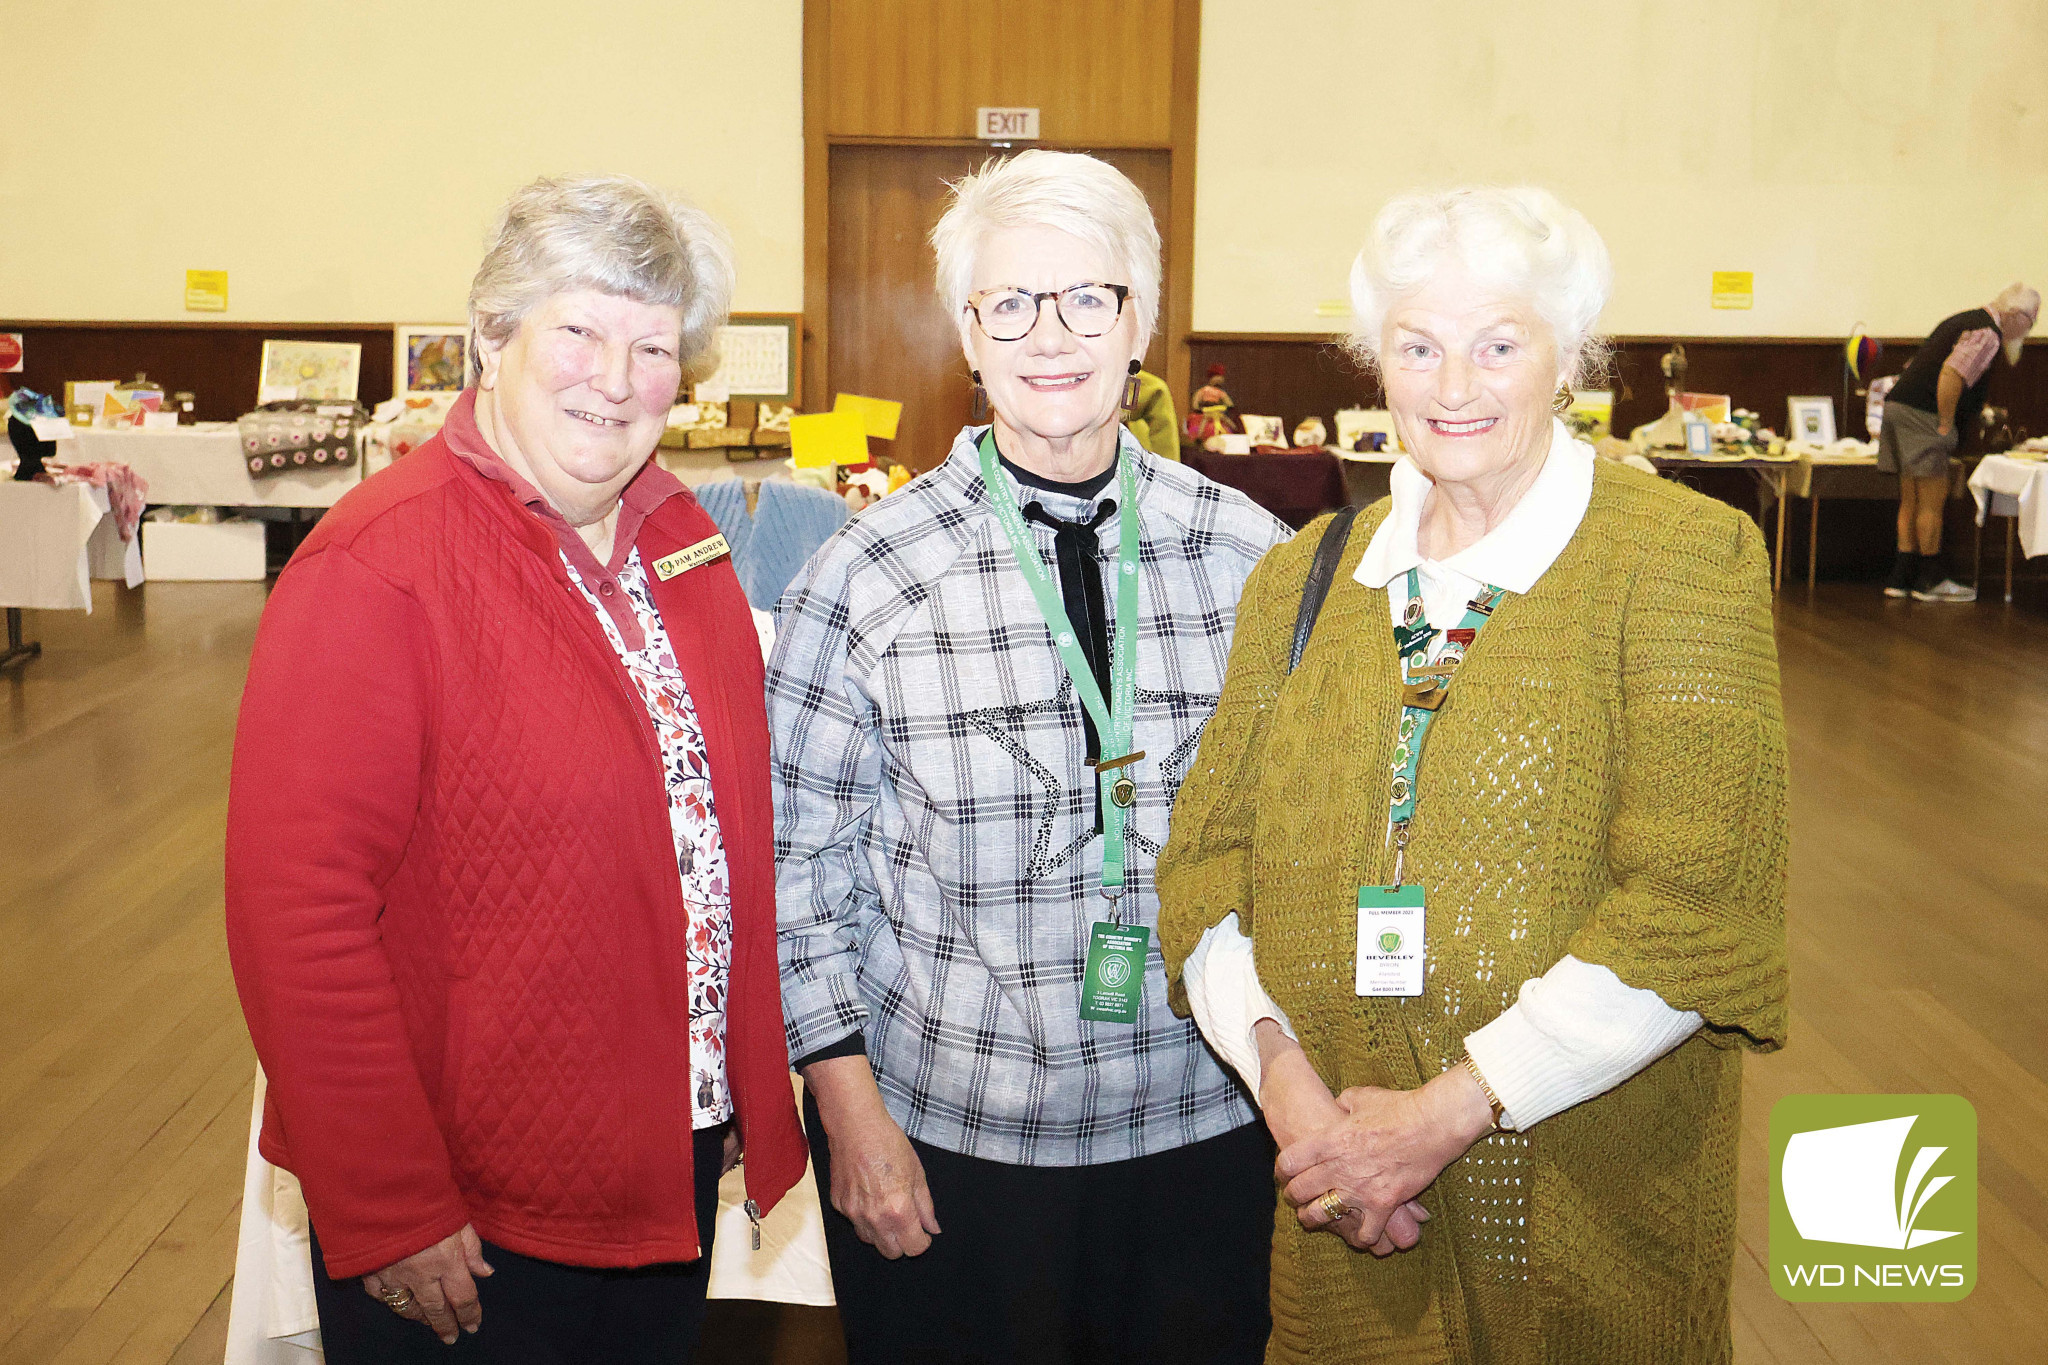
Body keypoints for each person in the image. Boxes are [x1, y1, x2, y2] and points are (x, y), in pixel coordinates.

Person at [1157, 186, 1790, 1364]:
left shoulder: (1683, 560)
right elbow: (1201, 870)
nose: (1454, 388)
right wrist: (1299, 1107)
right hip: (1345, 1208)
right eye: (1417, 348)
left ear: (1566, 360)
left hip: (1583, 1200)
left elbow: (1688, 911)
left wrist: (1442, 1116)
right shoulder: (1301, 579)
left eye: (1497, 344)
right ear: (1375, 364)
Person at [224, 173, 806, 1364]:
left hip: (662, 1157)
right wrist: (387, 1205)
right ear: (492, 337)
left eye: (653, 345)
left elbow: (722, 831)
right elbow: (299, 916)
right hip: (473, 1212)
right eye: (578, 328)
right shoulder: (378, 565)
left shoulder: (683, 541)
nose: (615, 375)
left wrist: (735, 1077)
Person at [769, 149, 1290, 1364]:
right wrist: (851, 1120)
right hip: (951, 1140)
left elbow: (1296, 842)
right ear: (966, 330)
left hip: (1202, 1124)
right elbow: (797, 880)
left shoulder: (1248, 555)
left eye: (1086, 298)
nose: (1047, 335)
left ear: (1138, 320)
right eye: (1008, 302)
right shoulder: (868, 574)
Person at [1876, 283, 2038, 601]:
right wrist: (1946, 423)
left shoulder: (1962, 320)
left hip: (1898, 407)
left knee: (1910, 497)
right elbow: (1950, 375)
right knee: (1932, 500)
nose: (2028, 331)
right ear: (2016, 315)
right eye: (2031, 321)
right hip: (1924, 414)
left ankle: (1901, 577)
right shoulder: (1987, 332)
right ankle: (1929, 580)